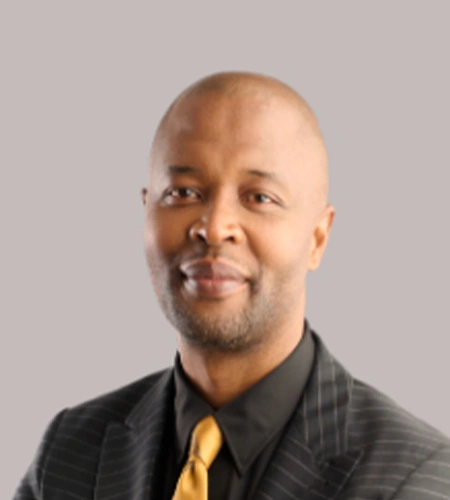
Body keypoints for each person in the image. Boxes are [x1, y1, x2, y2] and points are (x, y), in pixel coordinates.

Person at [14, 72, 450, 500]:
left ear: (317, 238)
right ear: (146, 210)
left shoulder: (413, 479)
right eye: (183, 193)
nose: (214, 227)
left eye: (259, 197)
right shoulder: (70, 451)